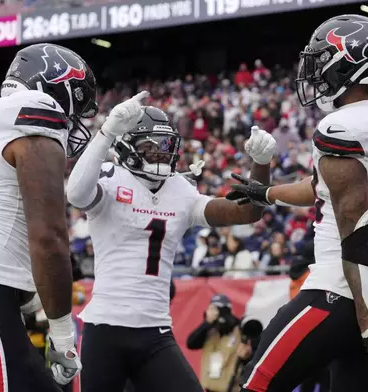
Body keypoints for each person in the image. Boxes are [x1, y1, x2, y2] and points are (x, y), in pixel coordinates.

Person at [227, 14, 368, 392]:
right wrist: (265, 192)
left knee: (255, 386)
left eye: (322, 59)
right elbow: (325, 188)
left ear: (349, 64)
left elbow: (357, 235)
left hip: (343, 293)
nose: (314, 71)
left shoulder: (341, 128)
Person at [65, 98, 276, 392]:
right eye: (150, 146)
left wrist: (261, 164)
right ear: (129, 147)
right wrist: (107, 131)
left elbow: (248, 212)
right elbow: (75, 194)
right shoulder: (111, 179)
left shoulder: (181, 190)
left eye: (165, 146)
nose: (161, 154)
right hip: (105, 328)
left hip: (154, 332)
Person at [0, 43, 97, 391]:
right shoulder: (36, 108)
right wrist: (62, 335)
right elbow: (49, 237)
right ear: (53, 85)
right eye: (77, 101)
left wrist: (22, 285)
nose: (74, 120)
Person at [186, 294, 245, 392]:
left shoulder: (239, 330)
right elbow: (191, 343)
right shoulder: (210, 330)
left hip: (232, 388)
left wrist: (228, 318)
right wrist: (207, 322)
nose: (216, 313)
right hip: (210, 387)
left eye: (219, 310)